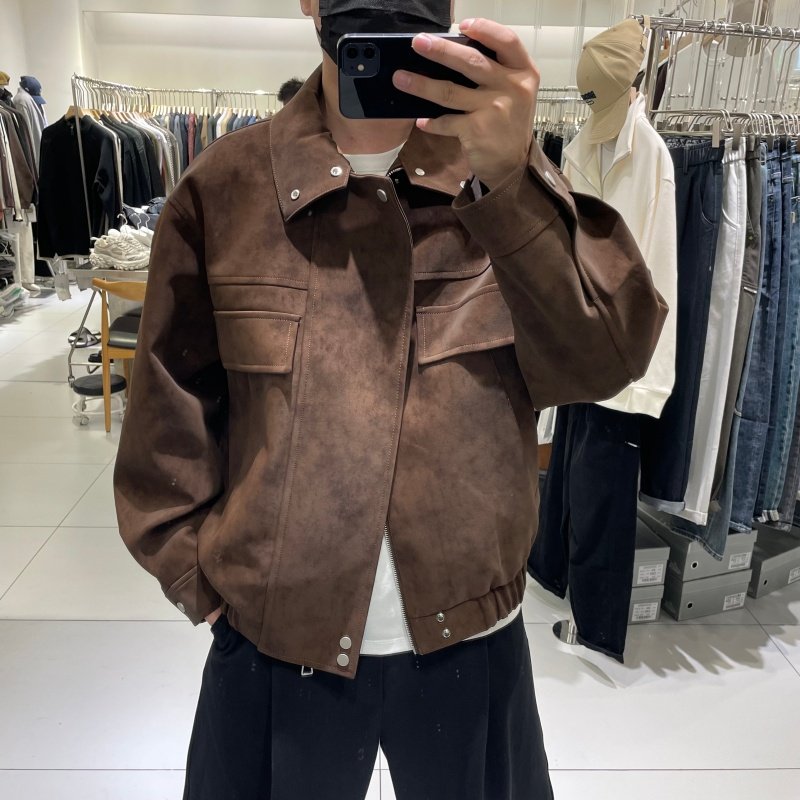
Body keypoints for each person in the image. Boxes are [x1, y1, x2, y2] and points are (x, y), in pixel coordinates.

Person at [113, 2, 667, 798]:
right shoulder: (226, 190)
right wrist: (197, 579)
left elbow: (607, 362)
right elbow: (166, 415)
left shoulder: (497, 178)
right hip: (272, 639)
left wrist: (515, 181)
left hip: (472, 634)